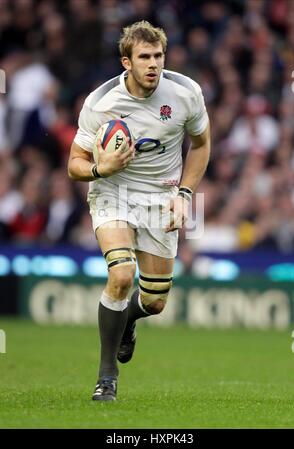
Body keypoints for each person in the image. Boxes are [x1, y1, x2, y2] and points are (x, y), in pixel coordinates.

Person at [68, 20, 210, 402]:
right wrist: (102, 169)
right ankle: (106, 377)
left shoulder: (185, 93)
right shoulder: (101, 103)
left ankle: (128, 318)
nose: (153, 65)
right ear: (126, 62)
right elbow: (75, 163)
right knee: (121, 274)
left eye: (158, 56)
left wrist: (184, 194)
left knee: (155, 302)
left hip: (162, 197)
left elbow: (201, 145)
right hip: (113, 192)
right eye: (144, 57)